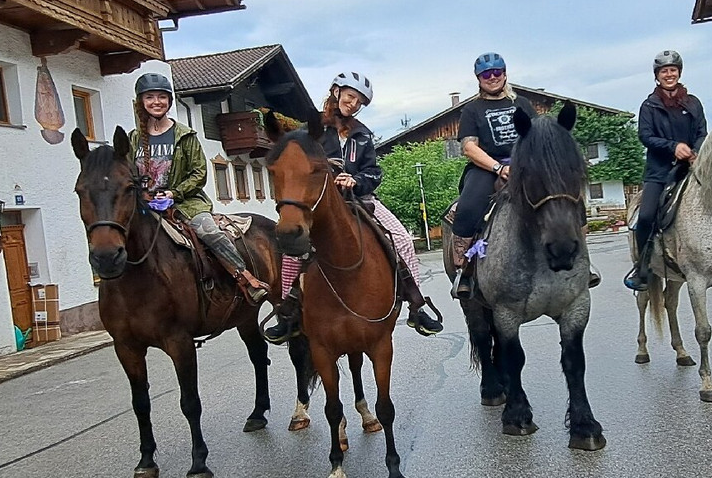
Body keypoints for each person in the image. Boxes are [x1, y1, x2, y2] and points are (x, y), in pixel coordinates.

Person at [264, 71, 444, 343]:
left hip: (361, 199)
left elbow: (373, 172)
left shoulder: (362, 135)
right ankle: (289, 311)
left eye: (359, 101)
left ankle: (415, 305)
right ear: (336, 91)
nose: (353, 103)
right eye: (350, 96)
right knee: (292, 251)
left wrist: (356, 180)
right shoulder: (311, 132)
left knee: (404, 239)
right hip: (321, 206)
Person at [128, 72, 269, 304]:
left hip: (186, 203)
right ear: (141, 102)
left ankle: (245, 278)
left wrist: (174, 193)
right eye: (150, 97)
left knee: (209, 232)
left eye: (162, 97)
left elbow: (199, 173)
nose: (156, 102)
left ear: (169, 102)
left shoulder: (185, 135)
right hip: (145, 204)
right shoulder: (134, 139)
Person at [448, 52, 538, 298]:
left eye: (497, 72)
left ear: (505, 73)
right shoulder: (472, 110)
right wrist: (498, 168)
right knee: (467, 208)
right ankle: (465, 269)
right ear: (479, 78)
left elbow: (536, 136)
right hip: (487, 168)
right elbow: (469, 147)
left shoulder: (522, 104)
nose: (493, 77)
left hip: (524, 165)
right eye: (486, 74)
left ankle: (579, 258)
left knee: (563, 194)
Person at [624, 50, 707, 291]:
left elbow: (702, 132)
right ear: (657, 76)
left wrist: (696, 152)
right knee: (646, 216)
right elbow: (646, 136)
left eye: (672, 70)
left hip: (690, 168)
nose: (669, 74)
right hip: (659, 172)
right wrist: (674, 147)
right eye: (664, 71)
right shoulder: (649, 105)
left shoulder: (694, 103)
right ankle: (642, 268)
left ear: (679, 72)